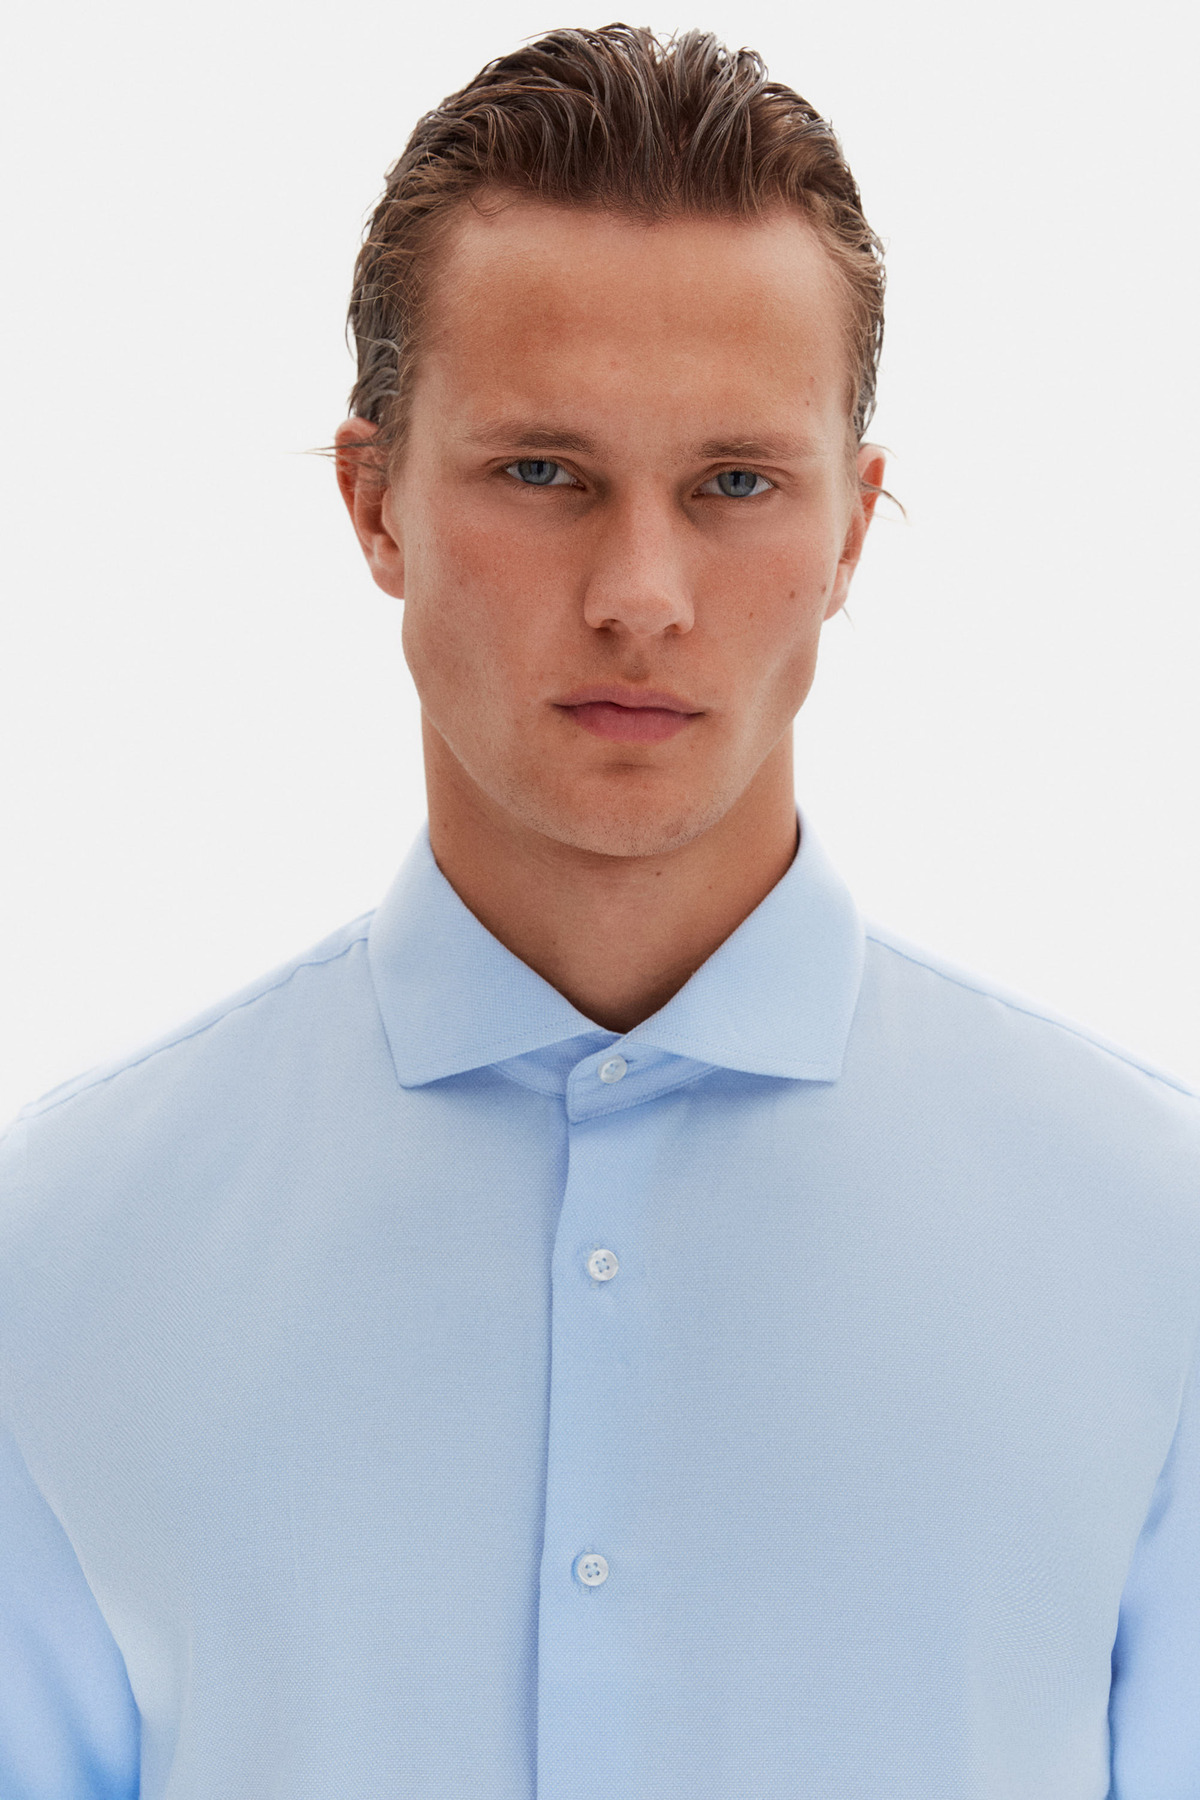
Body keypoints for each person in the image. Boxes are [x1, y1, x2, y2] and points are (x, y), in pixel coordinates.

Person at [1, 22, 1197, 1799]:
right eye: (545, 473)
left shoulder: (1161, 1255)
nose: (643, 596)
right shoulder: (54, 1258)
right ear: (372, 502)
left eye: (735, 484)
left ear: (853, 529)